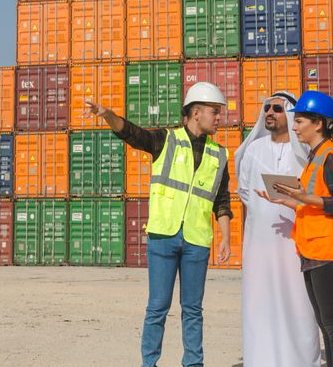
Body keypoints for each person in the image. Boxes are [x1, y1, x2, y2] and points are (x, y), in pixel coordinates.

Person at [86, 82, 233, 367]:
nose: (219, 117)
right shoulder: (166, 140)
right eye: (215, 112)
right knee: (157, 308)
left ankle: (194, 364)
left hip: (197, 240)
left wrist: (225, 237)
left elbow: (222, 199)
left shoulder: (220, 154)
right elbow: (132, 134)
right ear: (196, 112)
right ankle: (149, 363)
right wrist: (107, 114)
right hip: (163, 237)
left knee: (193, 310)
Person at [257, 90, 333, 367]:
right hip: (314, 250)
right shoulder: (316, 158)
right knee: (326, 325)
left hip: (329, 252)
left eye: (300, 121)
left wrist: (303, 197)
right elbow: (315, 205)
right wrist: (287, 200)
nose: (294, 127)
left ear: (319, 123)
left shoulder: (331, 157)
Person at [234, 92, 321, 367]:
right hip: (260, 244)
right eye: (267, 108)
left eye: (277, 108)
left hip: (296, 244)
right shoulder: (253, 150)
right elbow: (245, 191)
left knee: (300, 305)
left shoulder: (306, 152)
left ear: (293, 115)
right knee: (260, 305)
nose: (269, 112)